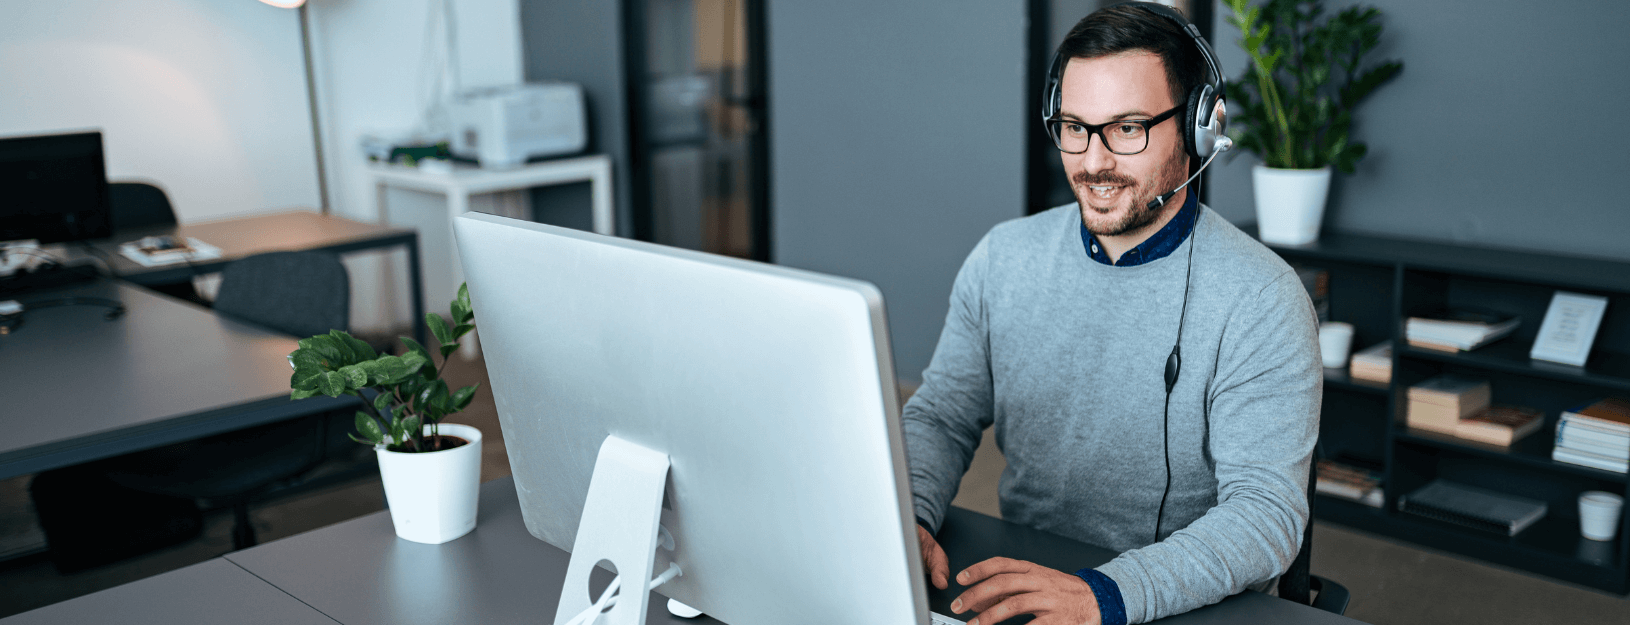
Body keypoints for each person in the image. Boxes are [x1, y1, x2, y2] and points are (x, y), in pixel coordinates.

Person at [902, 4, 1321, 625]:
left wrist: (1106, 595)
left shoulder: (1261, 298)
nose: (1093, 161)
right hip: (1026, 583)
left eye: (1127, 128)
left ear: (1198, 129)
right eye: (1075, 126)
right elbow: (941, 414)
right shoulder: (1003, 258)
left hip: (1181, 602)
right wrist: (905, 514)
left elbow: (1264, 514)